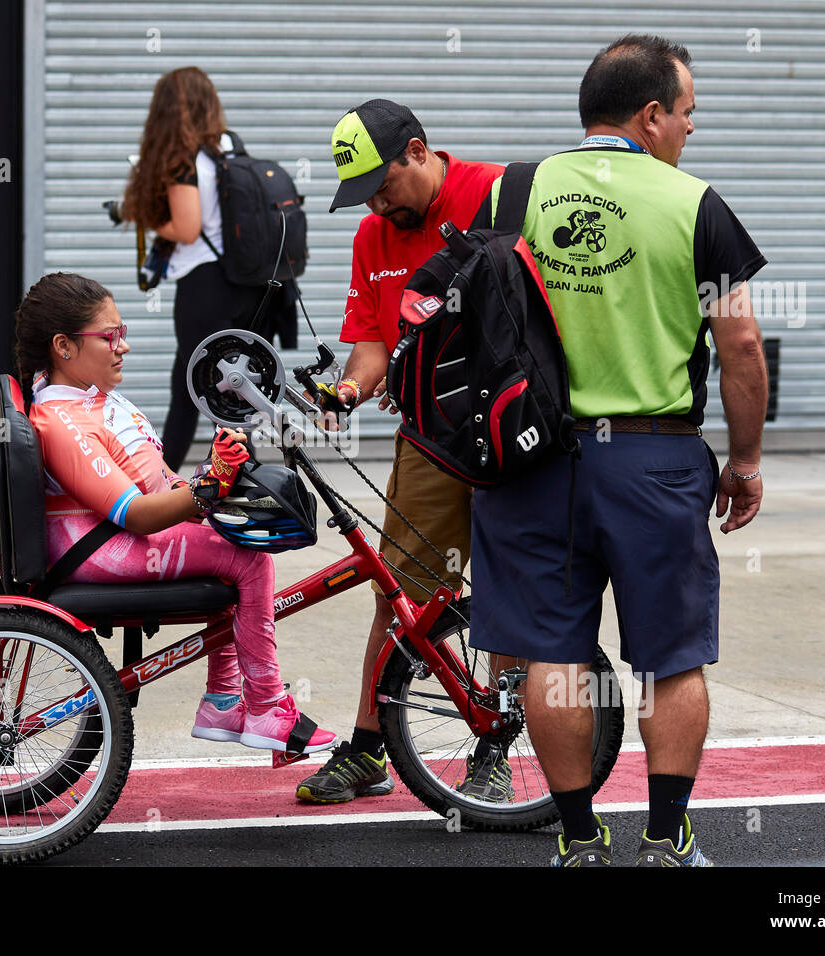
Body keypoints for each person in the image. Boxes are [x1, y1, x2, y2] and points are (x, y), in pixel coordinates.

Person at [474, 35, 768, 865]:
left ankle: (576, 840)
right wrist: (744, 463)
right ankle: (668, 837)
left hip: (529, 463)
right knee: (669, 658)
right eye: (685, 114)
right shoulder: (695, 204)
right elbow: (740, 343)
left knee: (553, 655)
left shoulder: (508, 192)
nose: (688, 132)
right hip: (652, 459)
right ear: (648, 116)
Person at [14, 271, 335, 754]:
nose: (122, 346)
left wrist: (210, 480)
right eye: (109, 337)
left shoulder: (89, 398)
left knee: (238, 530)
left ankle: (224, 703)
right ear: (63, 346)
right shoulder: (62, 421)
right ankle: (265, 707)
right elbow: (139, 515)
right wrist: (208, 488)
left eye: (123, 333)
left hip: (105, 537)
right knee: (249, 557)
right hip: (96, 549)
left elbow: (155, 481)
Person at [294, 100, 508, 804]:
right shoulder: (373, 235)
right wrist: (348, 393)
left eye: (383, 186)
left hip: (512, 432)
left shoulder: (499, 193)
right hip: (430, 441)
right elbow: (372, 343)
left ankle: (493, 749)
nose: (379, 206)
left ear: (419, 151)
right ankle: (367, 749)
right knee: (400, 596)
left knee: (507, 596)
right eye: (364, 197)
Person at [118, 66, 294, 471]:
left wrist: (140, 215)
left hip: (207, 286)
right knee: (234, 390)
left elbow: (187, 226)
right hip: (254, 284)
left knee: (200, 390)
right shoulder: (230, 147)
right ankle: (239, 481)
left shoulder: (183, 158)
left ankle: (166, 481)